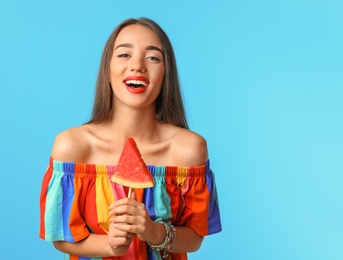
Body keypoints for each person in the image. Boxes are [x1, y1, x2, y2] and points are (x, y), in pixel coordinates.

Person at [39, 17, 222, 260]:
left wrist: (154, 231)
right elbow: (60, 237)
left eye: (153, 57)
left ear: (166, 74)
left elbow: (196, 237)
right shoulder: (72, 146)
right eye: (124, 54)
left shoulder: (189, 149)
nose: (137, 66)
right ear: (107, 70)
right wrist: (109, 246)